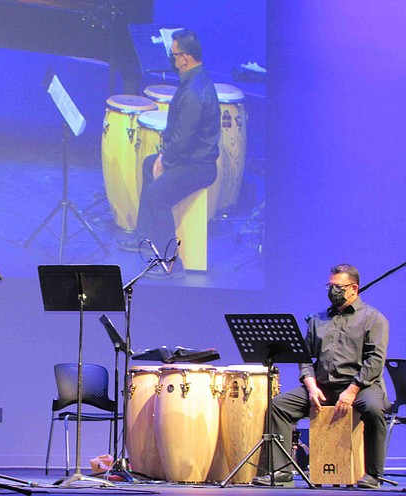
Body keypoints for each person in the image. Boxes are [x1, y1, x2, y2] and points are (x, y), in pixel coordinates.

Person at [252, 264, 389, 489]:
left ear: (353, 288)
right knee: (279, 406)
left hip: (360, 386)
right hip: (324, 386)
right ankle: (281, 472)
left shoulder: (374, 319)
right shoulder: (318, 319)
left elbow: (375, 361)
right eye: (330, 286)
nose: (332, 291)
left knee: (374, 409)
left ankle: (373, 475)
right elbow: (304, 358)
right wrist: (311, 385)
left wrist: (352, 390)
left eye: (338, 287)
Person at [118, 29, 220, 274]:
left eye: (174, 56)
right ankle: (143, 236)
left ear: (185, 57)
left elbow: (183, 139)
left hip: (198, 166)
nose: (172, 60)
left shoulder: (195, 93)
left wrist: (165, 160)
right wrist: (161, 158)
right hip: (189, 158)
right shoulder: (196, 80)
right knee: (147, 164)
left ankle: (169, 260)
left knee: (157, 195)